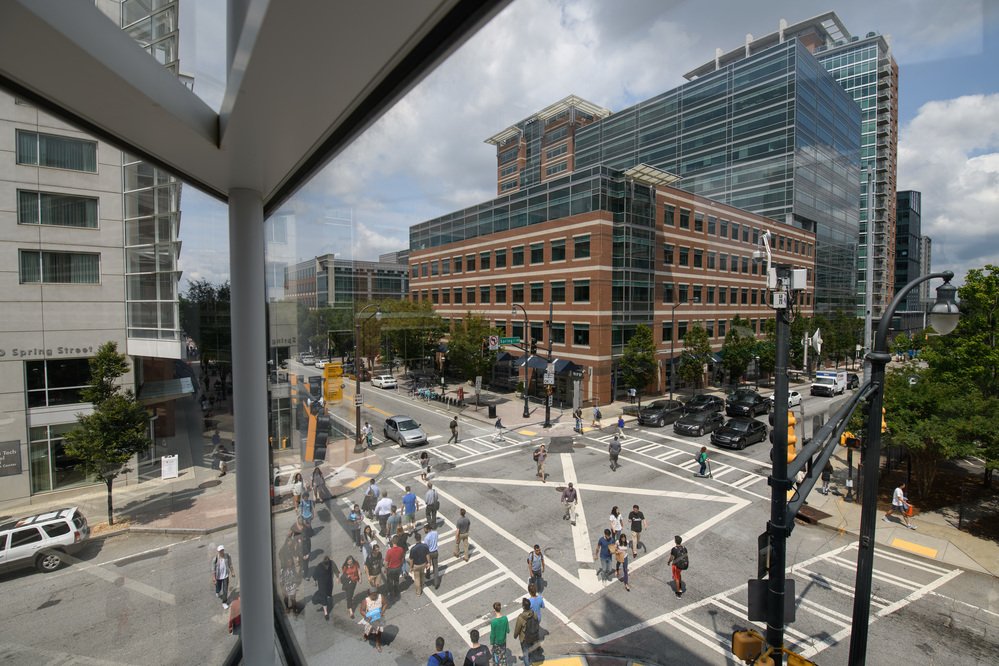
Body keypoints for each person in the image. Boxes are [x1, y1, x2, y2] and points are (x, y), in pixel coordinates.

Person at [513, 597, 540, 666]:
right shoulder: (534, 614)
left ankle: (527, 662)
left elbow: (517, 629)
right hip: (533, 636)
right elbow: (537, 622)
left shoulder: (521, 617)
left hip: (524, 638)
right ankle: (530, 660)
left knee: (525, 653)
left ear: (523, 606)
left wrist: (515, 636)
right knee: (530, 650)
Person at [358, 588, 385, 652]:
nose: (374, 597)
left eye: (375, 595)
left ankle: (377, 644)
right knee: (368, 630)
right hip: (370, 620)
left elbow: (385, 604)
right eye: (372, 595)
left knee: (378, 632)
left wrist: (382, 612)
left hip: (379, 619)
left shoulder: (381, 597)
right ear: (368, 595)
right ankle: (366, 636)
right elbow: (361, 610)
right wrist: (367, 616)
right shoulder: (365, 601)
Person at [314, 555, 339, 620]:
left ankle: (326, 599)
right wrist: (315, 581)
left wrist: (337, 577)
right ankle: (326, 612)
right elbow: (315, 574)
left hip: (329, 582)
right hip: (322, 583)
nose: (327, 565)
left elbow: (335, 569)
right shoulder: (319, 566)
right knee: (323, 595)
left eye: (328, 563)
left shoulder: (331, 563)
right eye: (326, 564)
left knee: (329, 593)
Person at [408, 532, 431, 596]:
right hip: (423, 564)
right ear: (420, 538)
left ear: (415, 539)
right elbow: (427, 555)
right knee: (422, 574)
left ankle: (418, 592)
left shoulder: (413, 549)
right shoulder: (425, 546)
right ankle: (422, 584)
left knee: (417, 578)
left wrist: (411, 567)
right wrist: (428, 563)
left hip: (416, 565)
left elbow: (411, 560)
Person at [384, 536, 406, 603]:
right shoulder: (401, 549)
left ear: (392, 542)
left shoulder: (389, 551)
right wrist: (401, 565)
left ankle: (391, 594)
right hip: (398, 568)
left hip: (391, 569)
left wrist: (386, 568)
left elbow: (386, 562)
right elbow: (402, 558)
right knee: (396, 580)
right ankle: (396, 592)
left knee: (390, 582)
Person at [212, 544, 234, 609]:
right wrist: (214, 577)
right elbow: (213, 569)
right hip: (218, 577)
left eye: (222, 550)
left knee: (225, 590)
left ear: (223, 550)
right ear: (218, 551)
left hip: (225, 576)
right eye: (220, 551)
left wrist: (232, 572)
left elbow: (230, 564)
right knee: (218, 587)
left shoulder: (227, 556)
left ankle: (224, 602)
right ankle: (217, 591)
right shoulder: (215, 559)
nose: (221, 552)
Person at [489, 601, 509, 666]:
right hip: (503, 641)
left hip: (496, 643)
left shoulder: (493, 622)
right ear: (500, 608)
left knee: (495, 658)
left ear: (494, 610)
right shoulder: (505, 618)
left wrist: (491, 642)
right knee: (503, 657)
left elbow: (492, 635)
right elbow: (508, 630)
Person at [424, 522, 440, 589]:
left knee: (428, 563)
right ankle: (436, 583)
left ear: (427, 529)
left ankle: (428, 575)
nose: (424, 530)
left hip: (429, 553)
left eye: (424, 529)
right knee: (435, 567)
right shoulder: (436, 533)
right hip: (435, 551)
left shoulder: (426, 537)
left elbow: (426, 547)